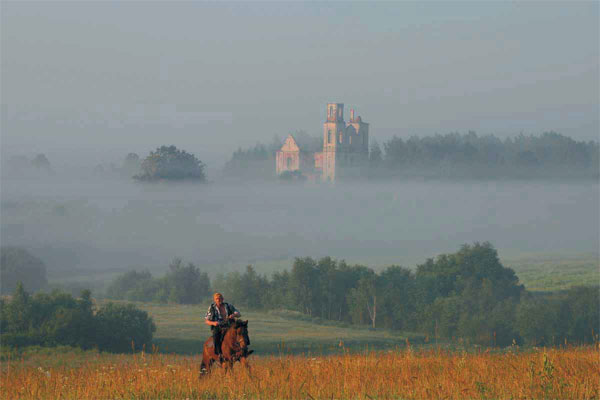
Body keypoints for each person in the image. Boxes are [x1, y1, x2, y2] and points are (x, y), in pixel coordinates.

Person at [204, 292, 241, 359]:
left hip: (230, 325)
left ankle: (243, 350)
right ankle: (219, 353)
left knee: (241, 331)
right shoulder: (212, 308)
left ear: (223, 299)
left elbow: (238, 313)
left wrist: (234, 315)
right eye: (217, 299)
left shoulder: (228, 306)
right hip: (218, 327)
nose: (219, 300)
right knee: (216, 336)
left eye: (220, 298)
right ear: (214, 300)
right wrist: (213, 323)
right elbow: (207, 321)